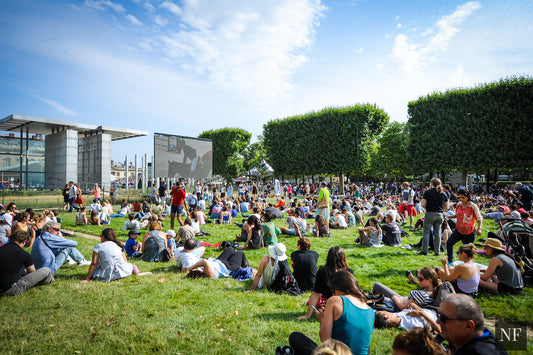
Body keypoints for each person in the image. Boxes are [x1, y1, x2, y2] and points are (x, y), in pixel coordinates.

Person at [289, 270, 374, 355]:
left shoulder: (335, 300)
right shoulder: (370, 310)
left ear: (336, 288)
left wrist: (322, 320)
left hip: (337, 352)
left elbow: (325, 340)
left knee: (296, 337)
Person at [437, 294, 508, 354]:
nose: (438, 321)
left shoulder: (476, 352)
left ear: (469, 326)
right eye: (439, 315)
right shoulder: (484, 335)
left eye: (444, 318)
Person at [298, 246, 352, 320]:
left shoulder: (322, 271)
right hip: (347, 306)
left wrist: (307, 315)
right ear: (343, 258)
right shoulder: (348, 272)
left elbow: (315, 294)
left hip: (333, 304)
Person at [0, 230, 55, 296]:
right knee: (46, 270)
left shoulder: (2, 248)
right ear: (24, 242)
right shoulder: (24, 254)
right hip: (9, 289)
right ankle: (51, 280)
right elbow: (32, 272)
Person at [445, 189, 483, 266]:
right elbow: (457, 215)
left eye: (463, 197)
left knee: (467, 252)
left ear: (468, 197)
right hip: (459, 230)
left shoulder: (473, 206)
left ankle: (469, 266)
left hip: (469, 232)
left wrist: (479, 229)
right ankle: (450, 261)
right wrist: (448, 216)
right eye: (460, 197)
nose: (461, 199)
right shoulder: (459, 205)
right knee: (449, 243)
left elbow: (479, 219)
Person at [420, 178, 448, 256]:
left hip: (430, 213)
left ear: (431, 183)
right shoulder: (443, 193)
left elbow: (423, 204)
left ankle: (424, 251)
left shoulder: (427, 192)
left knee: (426, 232)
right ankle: (437, 251)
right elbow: (446, 206)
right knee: (437, 234)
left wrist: (427, 208)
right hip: (440, 214)